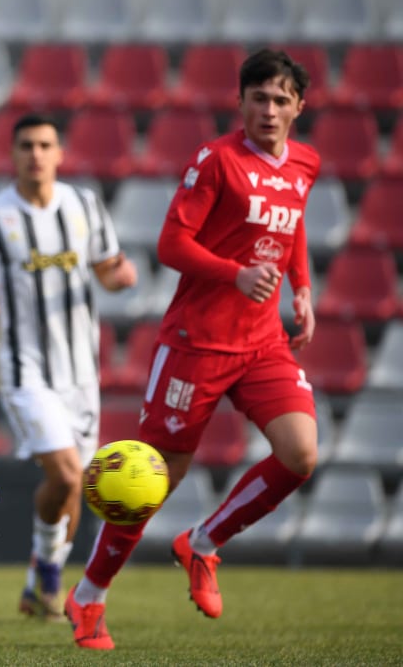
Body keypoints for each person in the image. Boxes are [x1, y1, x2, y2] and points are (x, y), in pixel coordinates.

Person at [64, 49, 321, 650]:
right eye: (259, 97)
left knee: (300, 454)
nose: (269, 109)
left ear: (299, 108)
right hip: (196, 344)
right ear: (241, 101)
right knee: (154, 479)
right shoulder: (216, 162)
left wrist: (302, 289)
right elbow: (171, 243)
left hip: (262, 343)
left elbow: (295, 222)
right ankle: (89, 597)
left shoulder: (305, 163)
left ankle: (203, 543)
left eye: (282, 100)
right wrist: (234, 274)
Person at [0, 114, 137, 621]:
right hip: (22, 368)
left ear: (59, 153)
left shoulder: (85, 206)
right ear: (13, 154)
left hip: (80, 374)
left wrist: (121, 278)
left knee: (73, 485)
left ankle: (40, 580)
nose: (36, 153)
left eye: (45, 145)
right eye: (27, 145)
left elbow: (106, 268)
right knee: (69, 475)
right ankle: (50, 580)